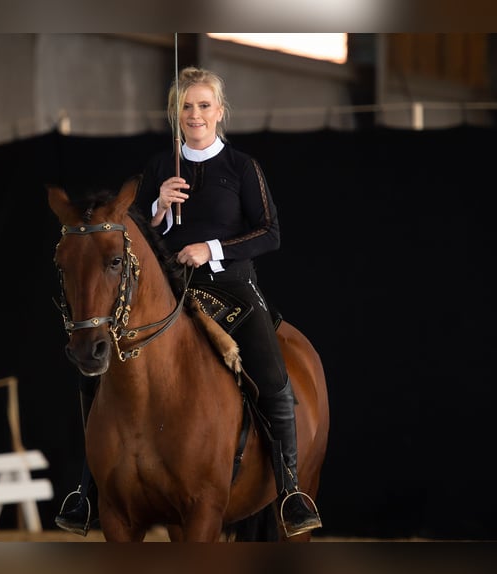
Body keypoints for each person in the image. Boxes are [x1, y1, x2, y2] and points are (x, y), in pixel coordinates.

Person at [55, 66, 321, 538]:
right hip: (173, 286)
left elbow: (270, 232)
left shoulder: (242, 168)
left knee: (274, 378)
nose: (194, 114)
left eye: (203, 105)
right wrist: (157, 209)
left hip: (231, 288)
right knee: (101, 369)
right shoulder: (161, 167)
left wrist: (211, 249)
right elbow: (138, 244)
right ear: (175, 114)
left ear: (220, 111)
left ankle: (290, 490)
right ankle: (87, 490)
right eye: (185, 106)